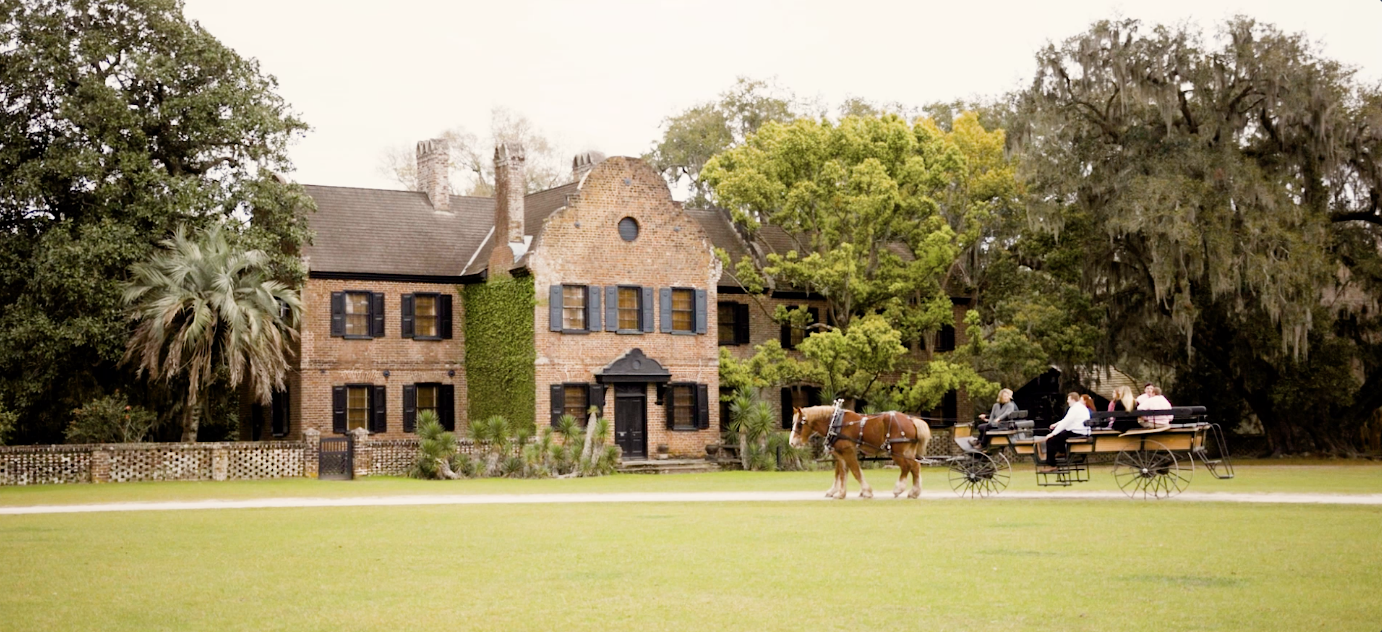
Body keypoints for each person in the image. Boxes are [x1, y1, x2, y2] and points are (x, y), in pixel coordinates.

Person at [1038, 392, 1091, 472]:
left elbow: (1066, 422)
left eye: (1068, 399)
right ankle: (1061, 452)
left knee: (1051, 440)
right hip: (1083, 432)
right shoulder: (1082, 407)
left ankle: (1052, 464)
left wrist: (1052, 434)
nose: (1067, 401)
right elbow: (1067, 420)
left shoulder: (1074, 408)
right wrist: (1056, 424)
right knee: (1061, 434)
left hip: (1076, 432)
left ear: (1073, 399)